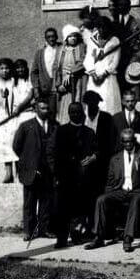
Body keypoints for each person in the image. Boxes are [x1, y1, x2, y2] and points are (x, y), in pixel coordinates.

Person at [85, 129, 140, 253]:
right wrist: (109, 195)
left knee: (135, 201)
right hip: (120, 190)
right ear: (121, 142)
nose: (128, 144)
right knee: (101, 200)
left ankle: (128, 238)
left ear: (134, 141)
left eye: (131, 141)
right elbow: (110, 182)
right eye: (125, 142)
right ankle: (98, 237)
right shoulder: (115, 159)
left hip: (136, 191)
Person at [47, 102, 97, 248]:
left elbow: (97, 151)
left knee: (80, 209)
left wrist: (93, 158)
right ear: (68, 114)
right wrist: (55, 172)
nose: (75, 114)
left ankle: (77, 236)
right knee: (62, 210)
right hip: (64, 178)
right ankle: (61, 238)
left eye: (78, 112)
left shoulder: (89, 132)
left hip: (82, 179)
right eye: (72, 112)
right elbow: (50, 152)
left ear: (83, 113)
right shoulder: (60, 131)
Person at [12, 97, 57, 241]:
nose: (45, 111)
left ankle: (44, 229)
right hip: (31, 171)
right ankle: (28, 231)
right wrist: (28, 162)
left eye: (47, 108)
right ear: (36, 109)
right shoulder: (26, 126)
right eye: (42, 108)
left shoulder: (55, 126)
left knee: (46, 201)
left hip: (48, 171)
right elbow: (16, 146)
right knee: (29, 201)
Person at [81, 90, 116, 226]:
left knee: (101, 196)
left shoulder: (106, 118)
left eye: (93, 103)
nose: (91, 106)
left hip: (102, 163)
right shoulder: (83, 118)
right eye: (88, 104)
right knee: (86, 197)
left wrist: (96, 156)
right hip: (86, 165)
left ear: (98, 104)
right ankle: (88, 225)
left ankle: (103, 226)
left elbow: (110, 143)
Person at [0, 58, 19, 183]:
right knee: (3, 143)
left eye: (7, 68)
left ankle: (19, 172)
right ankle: (8, 173)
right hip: (0, 116)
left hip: (14, 116)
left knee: (15, 142)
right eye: (1, 68)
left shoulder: (14, 81)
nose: (4, 71)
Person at [83, 17, 121, 116]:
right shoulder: (92, 40)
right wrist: (93, 74)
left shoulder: (114, 40)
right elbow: (88, 58)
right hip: (94, 79)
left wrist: (104, 74)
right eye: (100, 28)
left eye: (105, 28)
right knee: (94, 104)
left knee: (108, 103)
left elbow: (115, 61)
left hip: (108, 77)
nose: (102, 30)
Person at [55, 24, 87, 125]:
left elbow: (83, 61)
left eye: (74, 36)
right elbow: (57, 68)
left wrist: (71, 71)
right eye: (70, 36)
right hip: (65, 86)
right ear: (66, 38)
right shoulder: (61, 50)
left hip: (78, 82)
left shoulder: (81, 47)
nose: (73, 38)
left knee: (78, 103)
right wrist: (59, 84)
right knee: (66, 107)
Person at [114, 0, 140, 92]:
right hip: (117, 59)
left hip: (132, 57)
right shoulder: (113, 23)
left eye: (124, 5)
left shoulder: (137, 22)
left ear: (129, 7)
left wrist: (137, 57)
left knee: (133, 80)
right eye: (119, 5)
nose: (121, 7)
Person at [30, 28, 61, 117]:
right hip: (44, 89)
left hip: (58, 88)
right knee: (46, 114)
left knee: (58, 115)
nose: (51, 39)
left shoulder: (62, 49)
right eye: (49, 37)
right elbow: (34, 72)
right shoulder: (40, 53)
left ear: (57, 37)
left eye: (53, 36)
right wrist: (36, 88)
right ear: (45, 38)